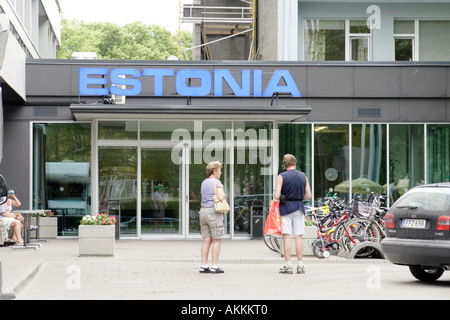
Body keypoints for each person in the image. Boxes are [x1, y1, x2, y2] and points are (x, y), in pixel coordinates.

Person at [274, 154, 312, 274]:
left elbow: (276, 196)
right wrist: (299, 197)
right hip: (299, 207)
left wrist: (284, 197)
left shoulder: (282, 176)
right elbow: (308, 195)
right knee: (298, 236)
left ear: (284, 164)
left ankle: (288, 265)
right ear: (295, 163)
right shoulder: (303, 176)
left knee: (286, 236)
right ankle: (300, 266)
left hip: (286, 208)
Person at [199, 161, 226, 274]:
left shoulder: (204, 182)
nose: (220, 173)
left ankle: (204, 265)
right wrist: (222, 189)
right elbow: (221, 197)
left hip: (203, 212)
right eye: (219, 170)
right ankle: (214, 266)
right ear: (214, 171)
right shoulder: (217, 182)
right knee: (216, 240)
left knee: (206, 240)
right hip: (213, 212)